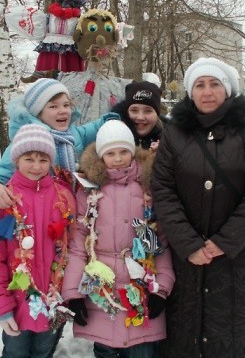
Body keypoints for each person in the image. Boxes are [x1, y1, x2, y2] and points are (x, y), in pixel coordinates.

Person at [151, 57, 245, 358]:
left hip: (237, 257)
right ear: (190, 92)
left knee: (235, 333)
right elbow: (163, 190)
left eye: (215, 84)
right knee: (185, 333)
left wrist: (224, 241)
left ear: (228, 89)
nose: (207, 92)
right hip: (187, 258)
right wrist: (189, 243)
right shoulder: (174, 132)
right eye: (200, 85)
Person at [62, 120, 175, 358]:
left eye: (124, 151)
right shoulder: (88, 191)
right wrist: (73, 292)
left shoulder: (148, 187)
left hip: (141, 287)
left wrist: (161, 289)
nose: (118, 158)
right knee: (105, 350)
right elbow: (78, 244)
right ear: (101, 156)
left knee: (142, 351)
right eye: (110, 153)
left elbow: (160, 243)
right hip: (102, 294)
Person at [0, 124, 76, 358]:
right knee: (15, 353)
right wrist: (2, 308)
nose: (36, 166)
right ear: (16, 160)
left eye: (43, 159)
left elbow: (74, 246)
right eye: (29, 158)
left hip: (54, 303)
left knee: (44, 351)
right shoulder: (3, 202)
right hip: (17, 306)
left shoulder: (63, 197)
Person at [0, 78, 120, 209]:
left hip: (71, 210)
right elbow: (1, 172)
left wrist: (116, 116)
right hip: (41, 212)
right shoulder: (28, 141)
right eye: (53, 107)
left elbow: (94, 127)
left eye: (66, 105)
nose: (63, 111)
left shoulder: (72, 134)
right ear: (38, 113)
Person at [111, 81, 164, 151]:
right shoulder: (110, 138)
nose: (140, 117)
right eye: (134, 110)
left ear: (157, 115)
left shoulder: (169, 142)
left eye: (148, 111)